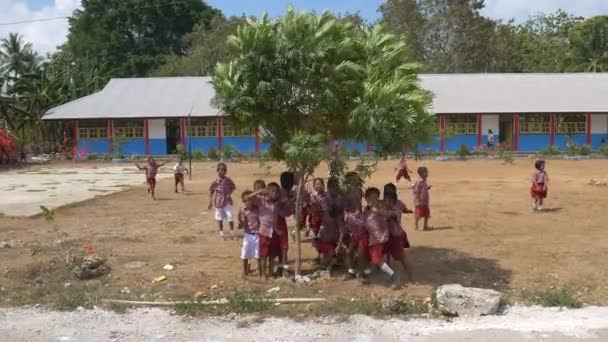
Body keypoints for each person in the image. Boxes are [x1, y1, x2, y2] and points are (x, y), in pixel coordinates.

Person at [363, 187, 399, 288]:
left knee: (378, 260)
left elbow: (387, 214)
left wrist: (377, 211)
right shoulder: (366, 210)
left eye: (376, 198)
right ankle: (366, 274)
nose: (374, 200)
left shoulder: (379, 208)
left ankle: (393, 275)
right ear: (366, 198)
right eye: (371, 198)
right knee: (375, 260)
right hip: (373, 239)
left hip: (378, 239)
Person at [246, 182, 282, 278]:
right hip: (264, 232)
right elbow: (247, 198)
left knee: (272, 255)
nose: (274, 193)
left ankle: (270, 273)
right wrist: (259, 191)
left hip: (274, 232)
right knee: (264, 255)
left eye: (276, 191)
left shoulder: (277, 204)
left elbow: (275, 219)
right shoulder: (261, 201)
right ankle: (262, 274)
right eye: (272, 191)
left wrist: (278, 230)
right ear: (267, 191)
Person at [383, 183, 414, 282]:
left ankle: (409, 277)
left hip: (394, 235)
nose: (385, 201)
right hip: (387, 235)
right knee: (384, 253)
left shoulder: (394, 209)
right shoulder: (386, 206)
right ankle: (390, 270)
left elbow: (393, 214)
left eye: (387, 199)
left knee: (401, 257)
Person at [342, 172, 369, 281]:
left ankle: (360, 273)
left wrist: (357, 212)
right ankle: (351, 271)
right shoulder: (347, 192)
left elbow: (358, 205)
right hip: (351, 222)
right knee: (350, 251)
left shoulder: (357, 191)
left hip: (357, 223)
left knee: (359, 252)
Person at [208, 162, 236, 239]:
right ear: (217, 170)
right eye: (221, 170)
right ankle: (221, 232)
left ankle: (232, 233)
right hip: (218, 201)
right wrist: (210, 202)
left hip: (227, 201)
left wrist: (229, 193)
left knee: (229, 215)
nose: (222, 171)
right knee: (219, 217)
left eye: (224, 170)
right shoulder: (215, 181)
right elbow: (211, 191)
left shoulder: (228, 180)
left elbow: (233, 187)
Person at [238, 190, 262, 277]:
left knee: (258, 255)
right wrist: (241, 221)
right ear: (243, 202)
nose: (248, 202)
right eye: (246, 201)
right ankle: (245, 272)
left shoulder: (258, 209)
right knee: (245, 254)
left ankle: (260, 272)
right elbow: (241, 224)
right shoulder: (243, 211)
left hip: (258, 234)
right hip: (248, 235)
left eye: (250, 200)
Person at [412, 166, 431, 231]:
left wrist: (427, 188)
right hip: (419, 201)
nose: (427, 173)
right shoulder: (419, 181)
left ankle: (425, 226)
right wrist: (417, 199)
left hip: (425, 201)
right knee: (418, 214)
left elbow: (422, 190)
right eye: (426, 172)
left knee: (426, 214)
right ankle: (416, 227)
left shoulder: (424, 181)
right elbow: (415, 190)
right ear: (422, 173)